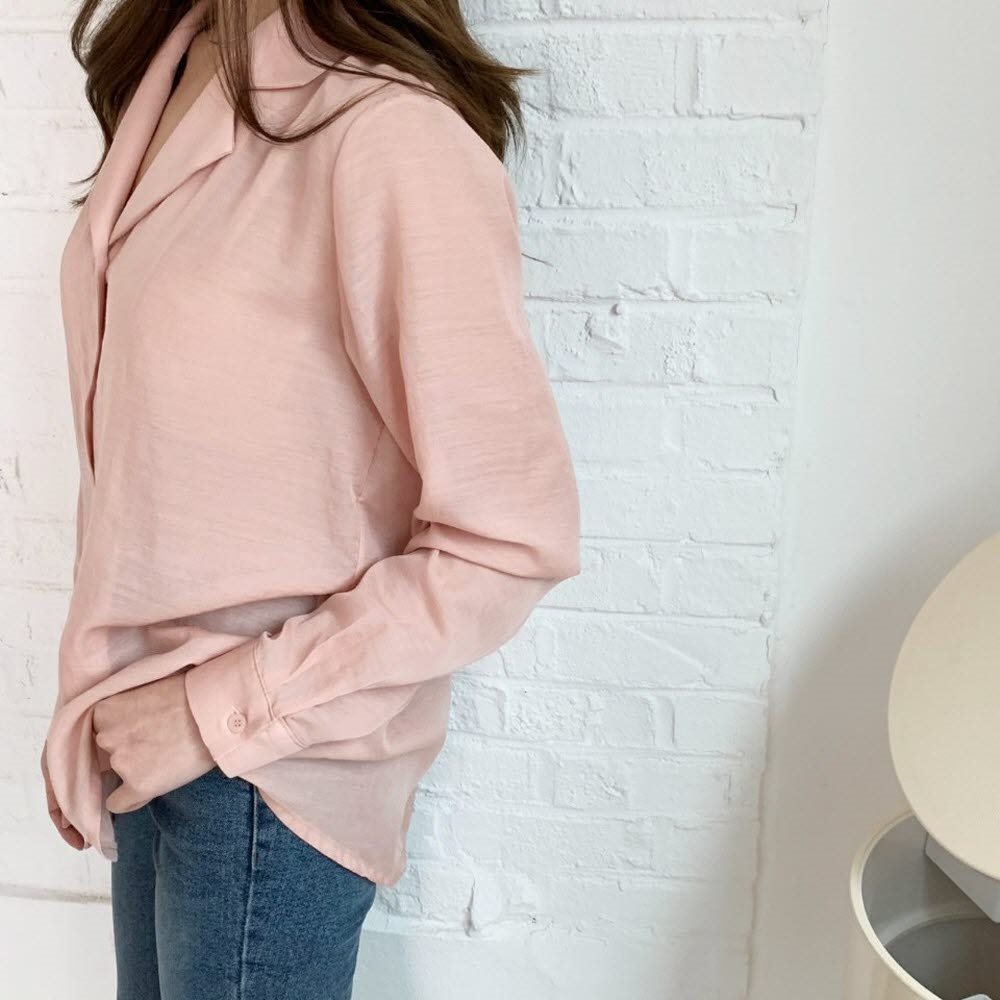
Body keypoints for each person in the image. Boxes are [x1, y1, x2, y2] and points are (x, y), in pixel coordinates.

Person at [39, 0, 581, 996]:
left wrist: (214, 711)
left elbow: (507, 541)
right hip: (144, 738)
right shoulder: (174, 66)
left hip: (267, 777)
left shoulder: (391, 136)